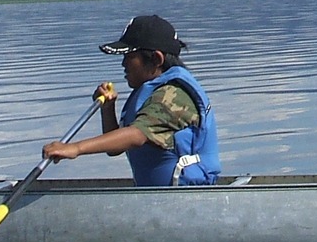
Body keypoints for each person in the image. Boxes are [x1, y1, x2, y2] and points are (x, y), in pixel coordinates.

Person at [42, 14, 220, 186]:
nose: (123, 64)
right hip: (158, 200)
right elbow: (114, 149)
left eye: (129, 57)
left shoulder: (173, 96)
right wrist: (108, 108)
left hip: (184, 199)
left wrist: (76, 148)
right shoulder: (155, 93)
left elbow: (136, 136)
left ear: (156, 59)